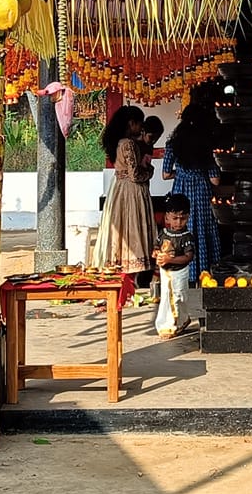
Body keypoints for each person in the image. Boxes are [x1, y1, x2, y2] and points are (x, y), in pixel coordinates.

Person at [162, 84, 222, 276]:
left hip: (181, 189)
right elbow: (215, 181)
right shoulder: (206, 144)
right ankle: (204, 271)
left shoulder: (173, 143)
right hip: (202, 191)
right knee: (203, 230)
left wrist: (180, 174)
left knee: (181, 227)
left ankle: (181, 270)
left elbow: (165, 174)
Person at [90, 105, 155, 275]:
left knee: (121, 226)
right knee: (133, 226)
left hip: (118, 188)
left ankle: (120, 266)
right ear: (131, 123)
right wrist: (149, 171)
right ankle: (133, 268)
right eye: (139, 123)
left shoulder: (117, 143)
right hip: (132, 191)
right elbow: (135, 175)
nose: (141, 127)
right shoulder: (129, 144)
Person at [153, 193, 196, 337]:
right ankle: (169, 325)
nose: (179, 222)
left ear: (188, 217)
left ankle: (182, 319)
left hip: (180, 272)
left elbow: (188, 257)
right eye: (175, 218)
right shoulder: (163, 234)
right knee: (167, 297)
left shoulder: (186, 237)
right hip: (166, 272)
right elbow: (157, 247)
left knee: (179, 297)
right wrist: (156, 254)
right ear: (167, 217)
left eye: (183, 219)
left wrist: (169, 260)